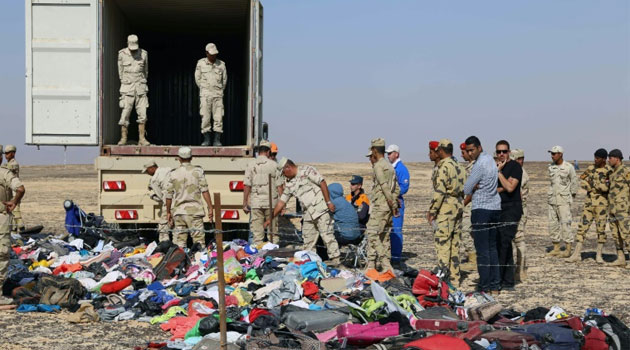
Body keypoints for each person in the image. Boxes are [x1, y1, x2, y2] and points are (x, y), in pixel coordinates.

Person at [265, 159, 341, 266]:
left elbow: (322, 182)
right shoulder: (290, 184)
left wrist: (328, 202)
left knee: (327, 236)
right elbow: (281, 202)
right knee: (308, 241)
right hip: (308, 214)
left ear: (288, 168)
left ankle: (335, 260)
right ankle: (312, 263)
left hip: (320, 209)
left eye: (283, 173)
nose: (284, 176)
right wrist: (270, 218)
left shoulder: (307, 171)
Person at [463, 136, 501, 295]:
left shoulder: (479, 164)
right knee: (492, 248)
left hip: (481, 209)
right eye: (468, 150)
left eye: (472, 150)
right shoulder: (491, 160)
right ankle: (495, 285)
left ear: (479, 148)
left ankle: (484, 286)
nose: (470, 153)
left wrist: (474, 186)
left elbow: (466, 188)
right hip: (495, 208)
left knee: (482, 250)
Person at [426, 139, 465, 287]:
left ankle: (443, 280)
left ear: (441, 150)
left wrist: (432, 211)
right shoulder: (459, 166)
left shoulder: (444, 167)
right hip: (457, 207)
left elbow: (439, 192)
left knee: (443, 245)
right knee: (455, 245)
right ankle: (455, 279)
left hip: (446, 209)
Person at [567, 148, 611, 263]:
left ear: (603, 159)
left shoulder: (609, 171)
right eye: (594, 157)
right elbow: (582, 180)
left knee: (600, 230)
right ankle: (576, 254)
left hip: (601, 205)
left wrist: (595, 184)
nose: (595, 160)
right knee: (582, 228)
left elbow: (607, 188)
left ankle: (599, 255)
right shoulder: (591, 168)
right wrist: (590, 187)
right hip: (589, 203)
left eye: (597, 158)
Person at [165, 147, 214, 249]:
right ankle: (200, 262)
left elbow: (169, 195)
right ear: (192, 157)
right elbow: (204, 190)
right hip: (194, 212)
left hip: (179, 212)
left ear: (179, 158)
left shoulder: (173, 173)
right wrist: (210, 207)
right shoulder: (198, 171)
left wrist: (168, 211)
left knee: (179, 244)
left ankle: (180, 263)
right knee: (199, 243)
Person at [365, 138, 400, 272]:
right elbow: (396, 188)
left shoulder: (379, 166)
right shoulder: (389, 166)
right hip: (387, 207)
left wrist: (392, 203)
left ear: (374, 150)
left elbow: (385, 187)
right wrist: (393, 205)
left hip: (381, 205)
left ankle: (386, 265)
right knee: (384, 237)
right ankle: (374, 266)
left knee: (372, 233)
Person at [243, 140, 283, 246]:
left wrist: (245, 203)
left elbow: (247, 185)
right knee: (273, 234)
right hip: (272, 204)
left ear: (258, 151)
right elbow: (280, 186)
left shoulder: (250, 165)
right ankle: (273, 256)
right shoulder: (274, 165)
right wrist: (283, 205)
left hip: (256, 204)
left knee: (257, 236)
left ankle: (258, 259)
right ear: (268, 152)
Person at [494, 140, 523, 291]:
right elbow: (492, 188)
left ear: (509, 152)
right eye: (498, 152)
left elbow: (510, 187)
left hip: (512, 208)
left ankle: (501, 279)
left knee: (505, 242)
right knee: (501, 242)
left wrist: (499, 173)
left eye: (504, 151)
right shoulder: (494, 166)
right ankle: (507, 280)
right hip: (498, 208)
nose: (501, 154)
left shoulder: (515, 167)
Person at [0, 145, 26, 305]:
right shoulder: (4, 173)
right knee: (2, 256)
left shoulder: (11, 166)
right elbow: (20, 189)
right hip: (1, 217)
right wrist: (14, 202)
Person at [117, 34, 150, 146]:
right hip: (127, 88)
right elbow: (120, 72)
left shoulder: (144, 54)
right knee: (125, 113)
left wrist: (140, 82)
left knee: (143, 114)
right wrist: (127, 82)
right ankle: (123, 138)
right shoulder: (122, 54)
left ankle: (142, 139)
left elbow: (145, 71)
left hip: (140, 88)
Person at [546, 145, 578, 257]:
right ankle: (556, 248)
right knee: (553, 224)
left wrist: (570, 196)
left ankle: (568, 249)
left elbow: (574, 182)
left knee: (565, 224)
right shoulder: (551, 167)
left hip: (564, 200)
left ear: (560, 154)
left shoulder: (569, 167)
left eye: (554, 153)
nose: (552, 156)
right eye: (551, 153)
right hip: (552, 200)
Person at [195, 43, 227, 146]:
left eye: (215, 54)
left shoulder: (221, 64)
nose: (213, 56)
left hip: (217, 94)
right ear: (207, 53)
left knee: (218, 117)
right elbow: (197, 79)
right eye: (211, 54)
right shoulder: (200, 64)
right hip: (205, 94)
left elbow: (224, 81)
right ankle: (206, 140)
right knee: (205, 117)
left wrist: (218, 90)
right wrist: (205, 89)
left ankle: (217, 140)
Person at [386, 144, 410, 265]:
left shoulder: (401, 169)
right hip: (388, 203)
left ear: (397, 154)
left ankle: (396, 258)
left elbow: (404, 187)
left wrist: (392, 193)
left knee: (396, 230)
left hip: (397, 203)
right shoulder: (390, 168)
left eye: (390, 153)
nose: (388, 156)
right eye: (387, 153)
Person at [607, 149, 630, 268]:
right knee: (616, 234)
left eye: (610, 158)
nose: (608, 160)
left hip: (622, 208)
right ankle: (621, 258)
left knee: (627, 233)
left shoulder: (626, 172)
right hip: (612, 208)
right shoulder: (612, 173)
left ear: (617, 158)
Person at [143, 160, 172, 243]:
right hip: (180, 200)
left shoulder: (154, 179)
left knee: (163, 227)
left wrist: (152, 195)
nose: (147, 173)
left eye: (147, 171)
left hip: (168, 202)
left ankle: (165, 244)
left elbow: (161, 197)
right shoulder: (168, 170)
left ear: (152, 168)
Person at [510, 149, 529, 281]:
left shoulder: (521, 174)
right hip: (512, 209)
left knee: (519, 240)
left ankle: (520, 270)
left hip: (518, 210)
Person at [459, 142, 477, 272]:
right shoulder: (469, 167)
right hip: (468, 203)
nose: (462, 155)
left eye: (464, 152)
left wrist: (463, 204)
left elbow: (473, 190)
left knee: (466, 231)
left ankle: (473, 260)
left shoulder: (474, 167)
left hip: (470, 204)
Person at [2, 145, 24, 233]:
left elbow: (7, 169)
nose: (5, 155)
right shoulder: (7, 164)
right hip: (10, 192)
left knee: (16, 211)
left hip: (15, 192)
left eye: (7, 153)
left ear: (12, 153)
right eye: (5, 153)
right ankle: (14, 230)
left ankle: (21, 228)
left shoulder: (13, 164)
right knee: (12, 213)